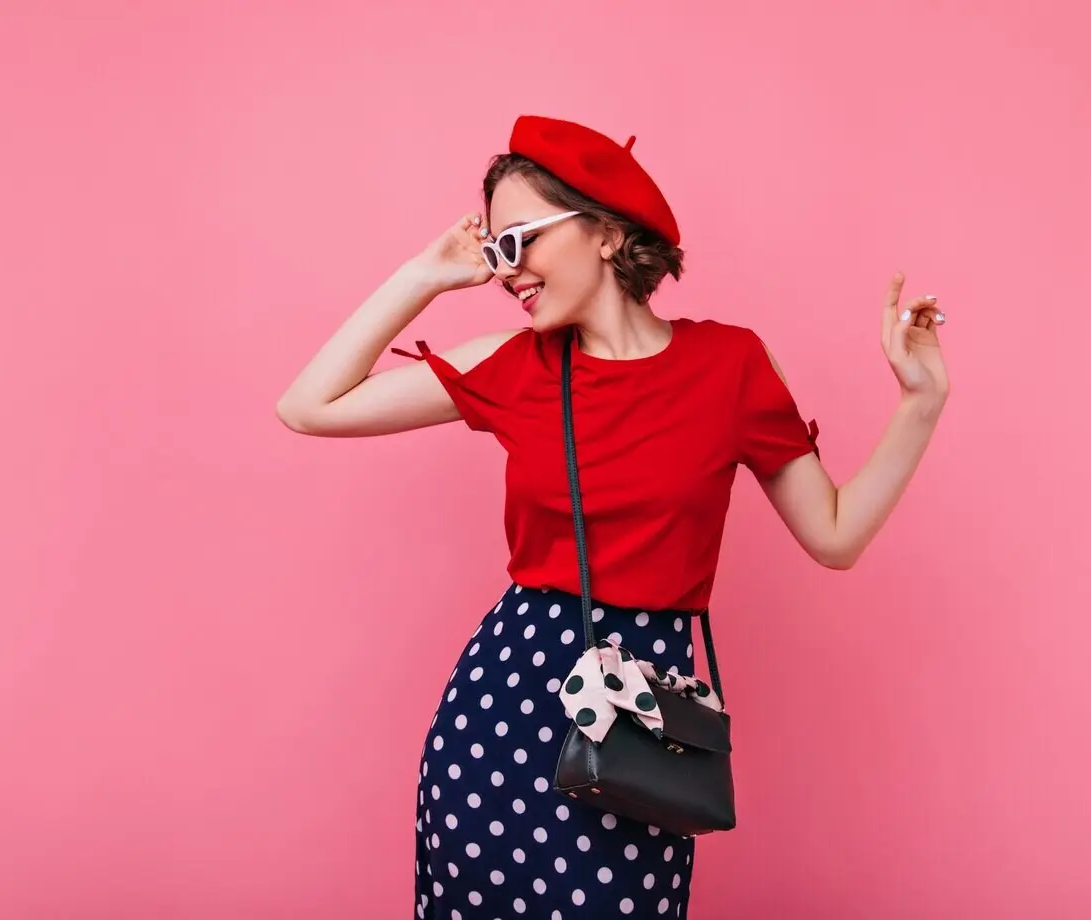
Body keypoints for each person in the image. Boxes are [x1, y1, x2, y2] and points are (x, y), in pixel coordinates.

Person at [275, 114, 949, 919]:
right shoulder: (514, 367)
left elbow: (835, 536)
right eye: (496, 252)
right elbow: (308, 405)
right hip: (499, 724)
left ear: (600, 230)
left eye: (519, 239)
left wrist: (920, 401)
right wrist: (425, 276)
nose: (507, 271)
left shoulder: (729, 365)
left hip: (640, 737)